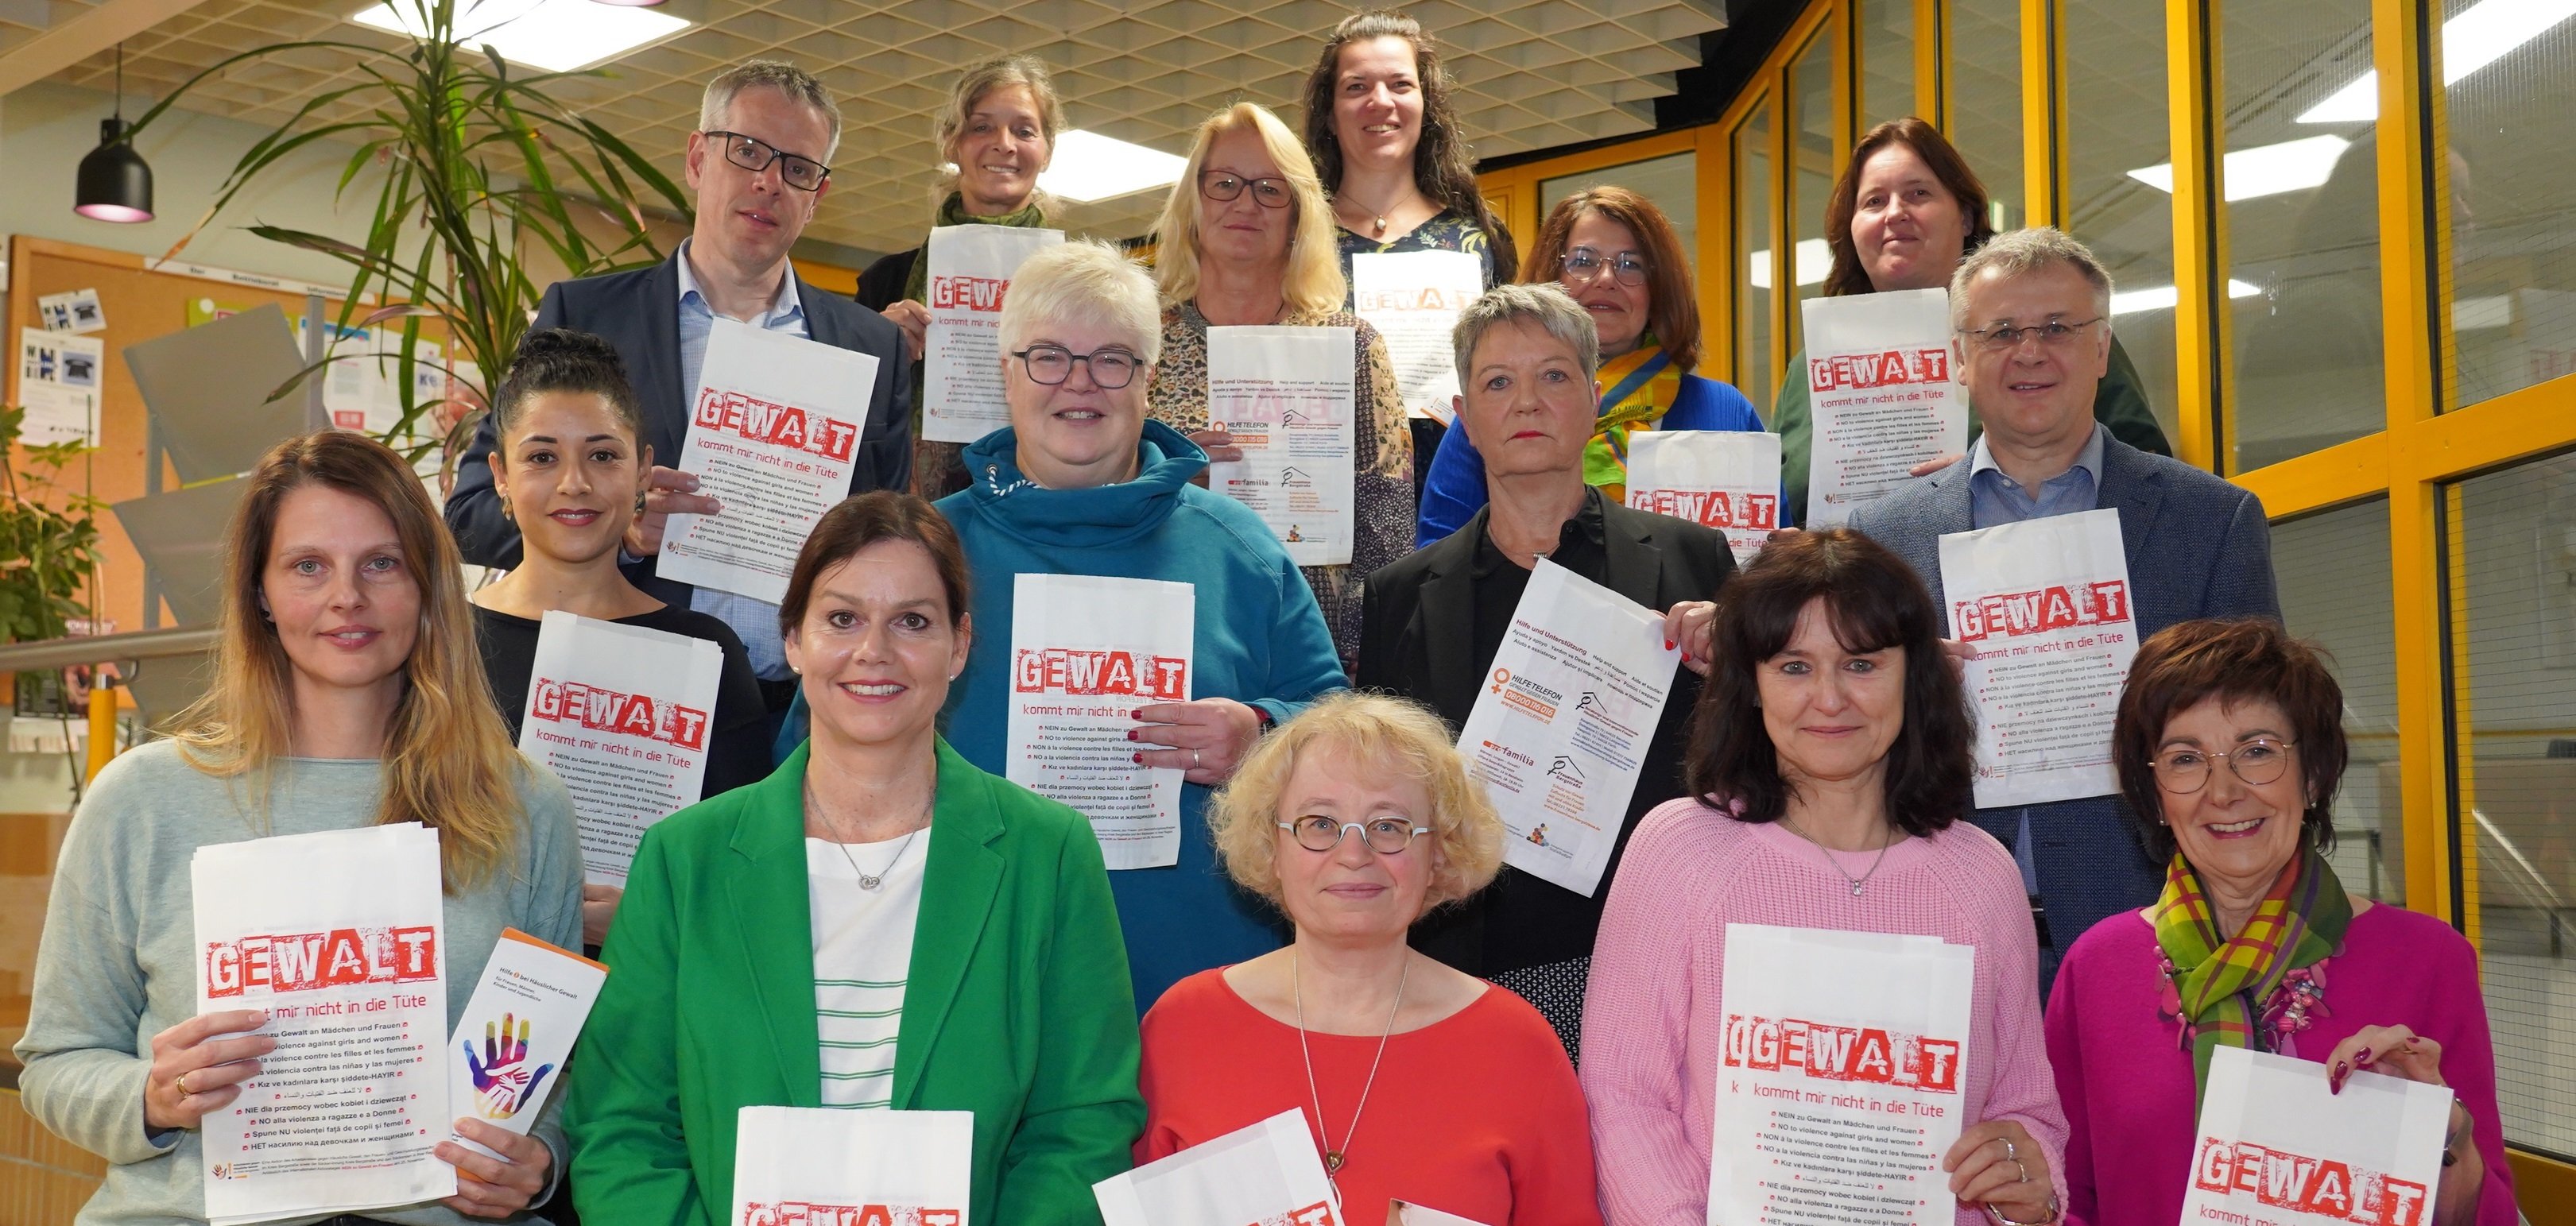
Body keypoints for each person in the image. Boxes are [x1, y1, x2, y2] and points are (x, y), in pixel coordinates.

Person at [16, 431, 583, 1224]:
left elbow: (554, 1071)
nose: (346, 597)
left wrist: (539, 1157)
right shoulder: (141, 801)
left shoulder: (524, 806)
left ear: (426, 586)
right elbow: (56, 1062)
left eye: (380, 564)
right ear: (260, 592)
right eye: (308, 565)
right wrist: (151, 1095)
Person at [566, 492, 1142, 1225]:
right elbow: (623, 1127)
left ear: (959, 644)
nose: (875, 650)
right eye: (842, 618)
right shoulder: (684, 859)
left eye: (912, 620)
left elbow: (1083, 1120)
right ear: (795, 640)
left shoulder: (1048, 853)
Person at [1582, 528, 2067, 1226]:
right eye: (1793, 667)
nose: (1830, 699)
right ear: (1750, 683)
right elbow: (1624, 1099)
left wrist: (2028, 1186)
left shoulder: (1982, 876)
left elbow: (2026, 1114)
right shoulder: (1678, 851)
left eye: (1861, 664)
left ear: (1914, 674)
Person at [1847, 226, 2280, 991]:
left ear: (2103, 348)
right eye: (2001, 331)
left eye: (2057, 328)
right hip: (1933, 936)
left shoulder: (2212, 522)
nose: (2030, 351)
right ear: (1957, 357)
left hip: (2156, 933)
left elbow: (2263, 742)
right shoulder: (1882, 539)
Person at [932, 238, 1350, 1010]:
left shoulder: (1237, 547)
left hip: (1200, 980)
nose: (1080, 384)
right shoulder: (923, 549)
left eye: (1112, 360)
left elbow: (1334, 722)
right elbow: (817, 742)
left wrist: (1260, 732)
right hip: (973, 976)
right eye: (1048, 357)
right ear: (1006, 374)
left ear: (1149, 380)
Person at [447, 60, 910, 721]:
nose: (768, 182)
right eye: (746, 151)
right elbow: (471, 514)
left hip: (807, 717)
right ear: (697, 158)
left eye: (797, 169)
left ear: (818, 196)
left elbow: (886, 541)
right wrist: (616, 521)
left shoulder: (870, 346)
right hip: (627, 701)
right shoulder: (586, 316)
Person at [1358, 282, 1735, 1051]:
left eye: (1553, 376)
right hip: (1472, 967)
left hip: (1663, 955)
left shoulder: (1691, 558)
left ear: (1594, 399)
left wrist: (1741, 660)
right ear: (1463, 418)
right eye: (1498, 382)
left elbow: (1750, 759)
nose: (1526, 401)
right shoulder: (1401, 594)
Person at [2047, 618, 2517, 1224]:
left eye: (2258, 751)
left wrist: (2443, 1129)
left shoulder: (2429, 960)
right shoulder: (2096, 965)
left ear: (2314, 775)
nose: (2223, 791)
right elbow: (2068, 1197)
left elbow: (2488, 1216)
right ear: (2156, 792)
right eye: (2185, 758)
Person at [1137, 693, 1601, 1224]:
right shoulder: (1184, 1026)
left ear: (1439, 854)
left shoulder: (1518, 1045)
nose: (1353, 855)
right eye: (1319, 823)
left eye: (1388, 826)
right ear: (1272, 847)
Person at [467, 328, 772, 947]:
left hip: (652, 997)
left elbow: (745, 869)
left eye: (603, 455)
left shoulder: (705, 652)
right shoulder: (443, 646)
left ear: (642, 469)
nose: (574, 483)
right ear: (499, 473)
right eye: (542, 456)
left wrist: (649, 911)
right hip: (478, 999)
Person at [1774, 118, 2170, 524]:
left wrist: (1996, 476)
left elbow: (2147, 473)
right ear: (1852, 229)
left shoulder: (2051, 329)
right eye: (1873, 202)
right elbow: (1784, 503)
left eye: (1918, 193)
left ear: (1965, 217)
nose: (1895, 213)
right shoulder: (1808, 368)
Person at [1143, 102, 1412, 667]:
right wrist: (1163, 475)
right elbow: (1086, 484)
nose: (1245, 203)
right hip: (1162, 627)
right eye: (1224, 184)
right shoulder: (1137, 339)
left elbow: (1384, 523)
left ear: (1297, 213)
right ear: (1193, 200)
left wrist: (1361, 663)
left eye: (1270, 188)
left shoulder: (1350, 345)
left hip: (1308, 642)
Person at [1415, 186, 1774, 544]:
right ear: (1550, 276)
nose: (1606, 280)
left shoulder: (1724, 413)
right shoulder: (1496, 409)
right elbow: (1439, 562)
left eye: (1630, 265)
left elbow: (1766, 562)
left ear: (1658, 287)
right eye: (1583, 261)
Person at [1302, 10, 1519, 482]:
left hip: (1462, 489)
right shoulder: (1295, 239)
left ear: (1426, 106)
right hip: (1327, 491)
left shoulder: (1478, 238)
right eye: (1357, 87)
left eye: (1400, 85)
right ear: (1330, 116)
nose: (1381, 102)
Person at [855, 55, 1065, 501]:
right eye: (982, 127)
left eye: (1025, 130)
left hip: (1045, 497)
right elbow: (844, 414)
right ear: (952, 144)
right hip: (911, 509)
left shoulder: (1077, 282)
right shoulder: (886, 281)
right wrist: (879, 348)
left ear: (1047, 151)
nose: (1004, 144)